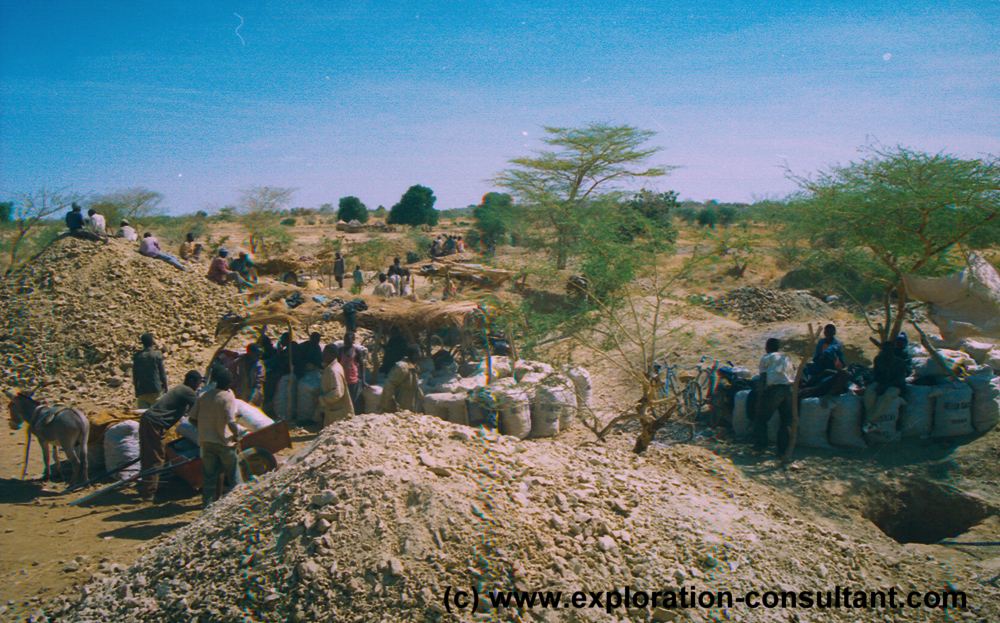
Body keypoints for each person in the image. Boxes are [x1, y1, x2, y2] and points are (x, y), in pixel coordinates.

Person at [138, 370, 203, 501]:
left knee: (149, 455)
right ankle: (149, 493)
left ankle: (147, 486)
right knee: (155, 458)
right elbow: (198, 410)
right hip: (154, 424)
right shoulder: (187, 391)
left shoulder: (180, 389)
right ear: (192, 381)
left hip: (149, 421)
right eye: (198, 383)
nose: (198, 386)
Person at [188, 367, 242, 509]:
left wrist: (204, 428)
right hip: (224, 443)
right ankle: (237, 506)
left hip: (206, 443)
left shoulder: (204, 396)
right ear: (229, 383)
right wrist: (237, 436)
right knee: (234, 476)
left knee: (209, 479)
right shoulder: (227, 397)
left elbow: (192, 419)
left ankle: (207, 509)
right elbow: (231, 421)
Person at [754, 338, 796, 459]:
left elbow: (763, 377)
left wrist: (760, 396)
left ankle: (760, 447)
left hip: (774, 390)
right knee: (785, 422)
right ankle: (782, 451)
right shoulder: (786, 358)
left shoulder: (766, 358)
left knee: (761, 419)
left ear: (767, 347)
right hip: (788, 390)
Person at [318, 344, 354, 425]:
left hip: (336, 411)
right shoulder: (333, 367)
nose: (323, 355)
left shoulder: (333, 371)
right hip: (334, 409)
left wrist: (323, 399)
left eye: (325, 353)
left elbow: (337, 393)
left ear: (332, 355)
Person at [380, 346, 423, 413]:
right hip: (398, 408)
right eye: (417, 354)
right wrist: (389, 405)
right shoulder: (402, 368)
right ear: (410, 355)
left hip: (409, 409)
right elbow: (389, 385)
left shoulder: (414, 367)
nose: (419, 356)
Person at [133, 332, 169, 408]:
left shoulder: (137, 356)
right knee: (157, 414)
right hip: (156, 390)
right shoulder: (157, 355)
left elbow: (135, 375)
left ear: (142, 343)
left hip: (142, 391)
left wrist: (136, 390)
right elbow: (162, 374)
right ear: (152, 342)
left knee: (143, 415)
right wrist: (165, 387)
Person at [339, 332, 367, 413]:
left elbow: (362, 365)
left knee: (353, 400)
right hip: (343, 380)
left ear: (353, 340)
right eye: (345, 340)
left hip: (353, 380)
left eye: (348, 340)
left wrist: (363, 380)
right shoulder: (340, 351)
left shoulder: (356, 351)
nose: (346, 342)